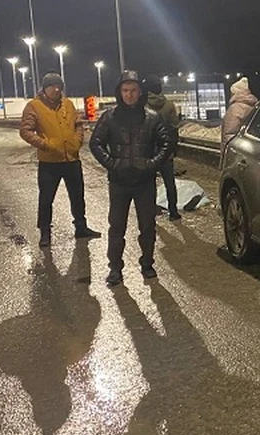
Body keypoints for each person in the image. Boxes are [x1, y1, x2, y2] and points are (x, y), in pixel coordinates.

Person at [89, 70, 171, 286]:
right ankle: (115, 267)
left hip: (144, 183)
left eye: (133, 90)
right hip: (119, 182)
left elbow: (167, 143)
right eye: (125, 90)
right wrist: (112, 164)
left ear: (139, 92)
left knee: (147, 226)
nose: (129, 94)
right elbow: (95, 143)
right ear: (119, 92)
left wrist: (151, 164)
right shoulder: (109, 117)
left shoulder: (152, 118)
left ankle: (147, 263)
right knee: (116, 227)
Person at [19, 71, 101, 247]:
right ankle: (45, 233)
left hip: (72, 159)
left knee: (77, 196)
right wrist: (45, 144)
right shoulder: (34, 106)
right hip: (49, 162)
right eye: (53, 86)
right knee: (46, 198)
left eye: (59, 86)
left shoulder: (68, 104)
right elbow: (25, 131)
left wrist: (77, 140)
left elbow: (78, 124)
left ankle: (81, 227)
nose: (57, 90)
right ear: (45, 88)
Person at [144, 76, 182, 220]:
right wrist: (173, 149)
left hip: (149, 151)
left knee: (150, 183)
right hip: (166, 149)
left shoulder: (144, 106)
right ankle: (173, 211)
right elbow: (174, 127)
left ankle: (152, 209)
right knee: (169, 182)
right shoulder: (169, 104)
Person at [221, 77, 257, 152]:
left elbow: (229, 135)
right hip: (252, 149)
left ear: (235, 93)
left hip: (238, 153)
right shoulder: (255, 106)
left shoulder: (234, 109)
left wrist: (226, 153)